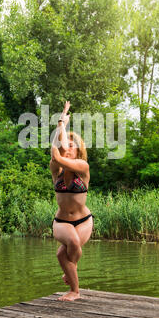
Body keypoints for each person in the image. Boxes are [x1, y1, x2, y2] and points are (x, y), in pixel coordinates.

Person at [50, 101, 94, 301]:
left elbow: (62, 156)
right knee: (73, 242)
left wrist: (62, 125)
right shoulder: (56, 170)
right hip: (61, 222)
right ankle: (75, 290)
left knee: (63, 253)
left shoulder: (82, 167)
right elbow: (55, 154)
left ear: (78, 152)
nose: (67, 149)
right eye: (64, 146)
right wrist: (62, 122)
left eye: (71, 146)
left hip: (84, 220)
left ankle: (70, 278)